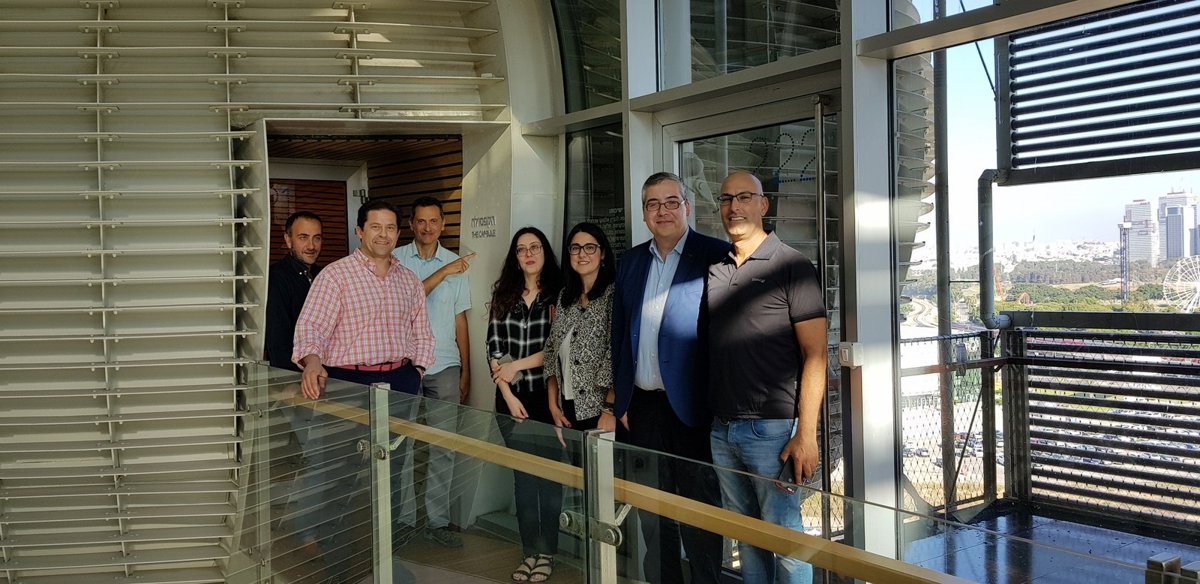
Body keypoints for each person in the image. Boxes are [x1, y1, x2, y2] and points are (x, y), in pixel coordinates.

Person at [706, 171, 828, 584]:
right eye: (726, 199)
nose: (734, 207)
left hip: (772, 431)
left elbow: (816, 354)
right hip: (722, 428)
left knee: (786, 541)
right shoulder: (716, 270)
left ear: (763, 205)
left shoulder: (792, 265)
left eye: (744, 197)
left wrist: (806, 434)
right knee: (746, 538)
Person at [291, 199, 434, 545]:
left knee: (392, 468)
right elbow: (311, 327)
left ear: (398, 233)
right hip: (348, 381)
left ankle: (384, 550)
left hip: (399, 381)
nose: (383, 235)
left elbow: (423, 334)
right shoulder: (335, 276)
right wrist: (313, 361)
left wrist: (416, 372)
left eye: (390, 228)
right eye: (375, 227)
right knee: (340, 469)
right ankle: (336, 553)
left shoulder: (409, 281)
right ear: (359, 231)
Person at [611, 173, 728, 584]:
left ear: (687, 207)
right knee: (651, 509)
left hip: (693, 410)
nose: (662, 211)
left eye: (671, 202)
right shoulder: (630, 262)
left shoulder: (715, 255)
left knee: (699, 509)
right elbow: (619, 333)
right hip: (642, 407)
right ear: (644, 213)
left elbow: (723, 337)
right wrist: (621, 399)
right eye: (653, 204)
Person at [393, 196, 475, 548]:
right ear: (412, 224)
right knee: (401, 445)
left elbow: (460, 320)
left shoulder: (457, 265)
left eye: (434, 221)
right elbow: (408, 301)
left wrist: (466, 371)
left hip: (444, 366)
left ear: (443, 224)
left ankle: (437, 521)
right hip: (404, 366)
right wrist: (443, 273)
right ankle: (402, 520)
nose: (427, 227)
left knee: (444, 447)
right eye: (421, 221)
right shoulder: (395, 259)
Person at [486, 227, 564, 583]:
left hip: (547, 398)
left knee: (548, 479)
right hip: (510, 400)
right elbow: (494, 348)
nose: (529, 254)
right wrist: (507, 393)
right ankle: (529, 551)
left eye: (535, 247)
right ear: (515, 257)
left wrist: (516, 365)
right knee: (523, 478)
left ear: (545, 252)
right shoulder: (504, 295)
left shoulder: (560, 295)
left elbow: (556, 348)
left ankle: (547, 553)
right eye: (521, 249)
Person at [545, 222, 617, 438]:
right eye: (575, 248)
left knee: (601, 462)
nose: (582, 254)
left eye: (590, 247)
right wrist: (553, 404)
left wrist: (609, 409)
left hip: (600, 410)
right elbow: (551, 350)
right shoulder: (565, 297)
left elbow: (617, 352)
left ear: (602, 253)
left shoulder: (613, 294)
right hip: (567, 406)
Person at [265, 211, 322, 370]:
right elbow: (277, 340)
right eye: (303, 237)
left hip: (323, 371)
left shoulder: (324, 275)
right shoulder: (276, 278)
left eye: (317, 238)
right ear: (288, 240)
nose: (311, 246)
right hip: (294, 374)